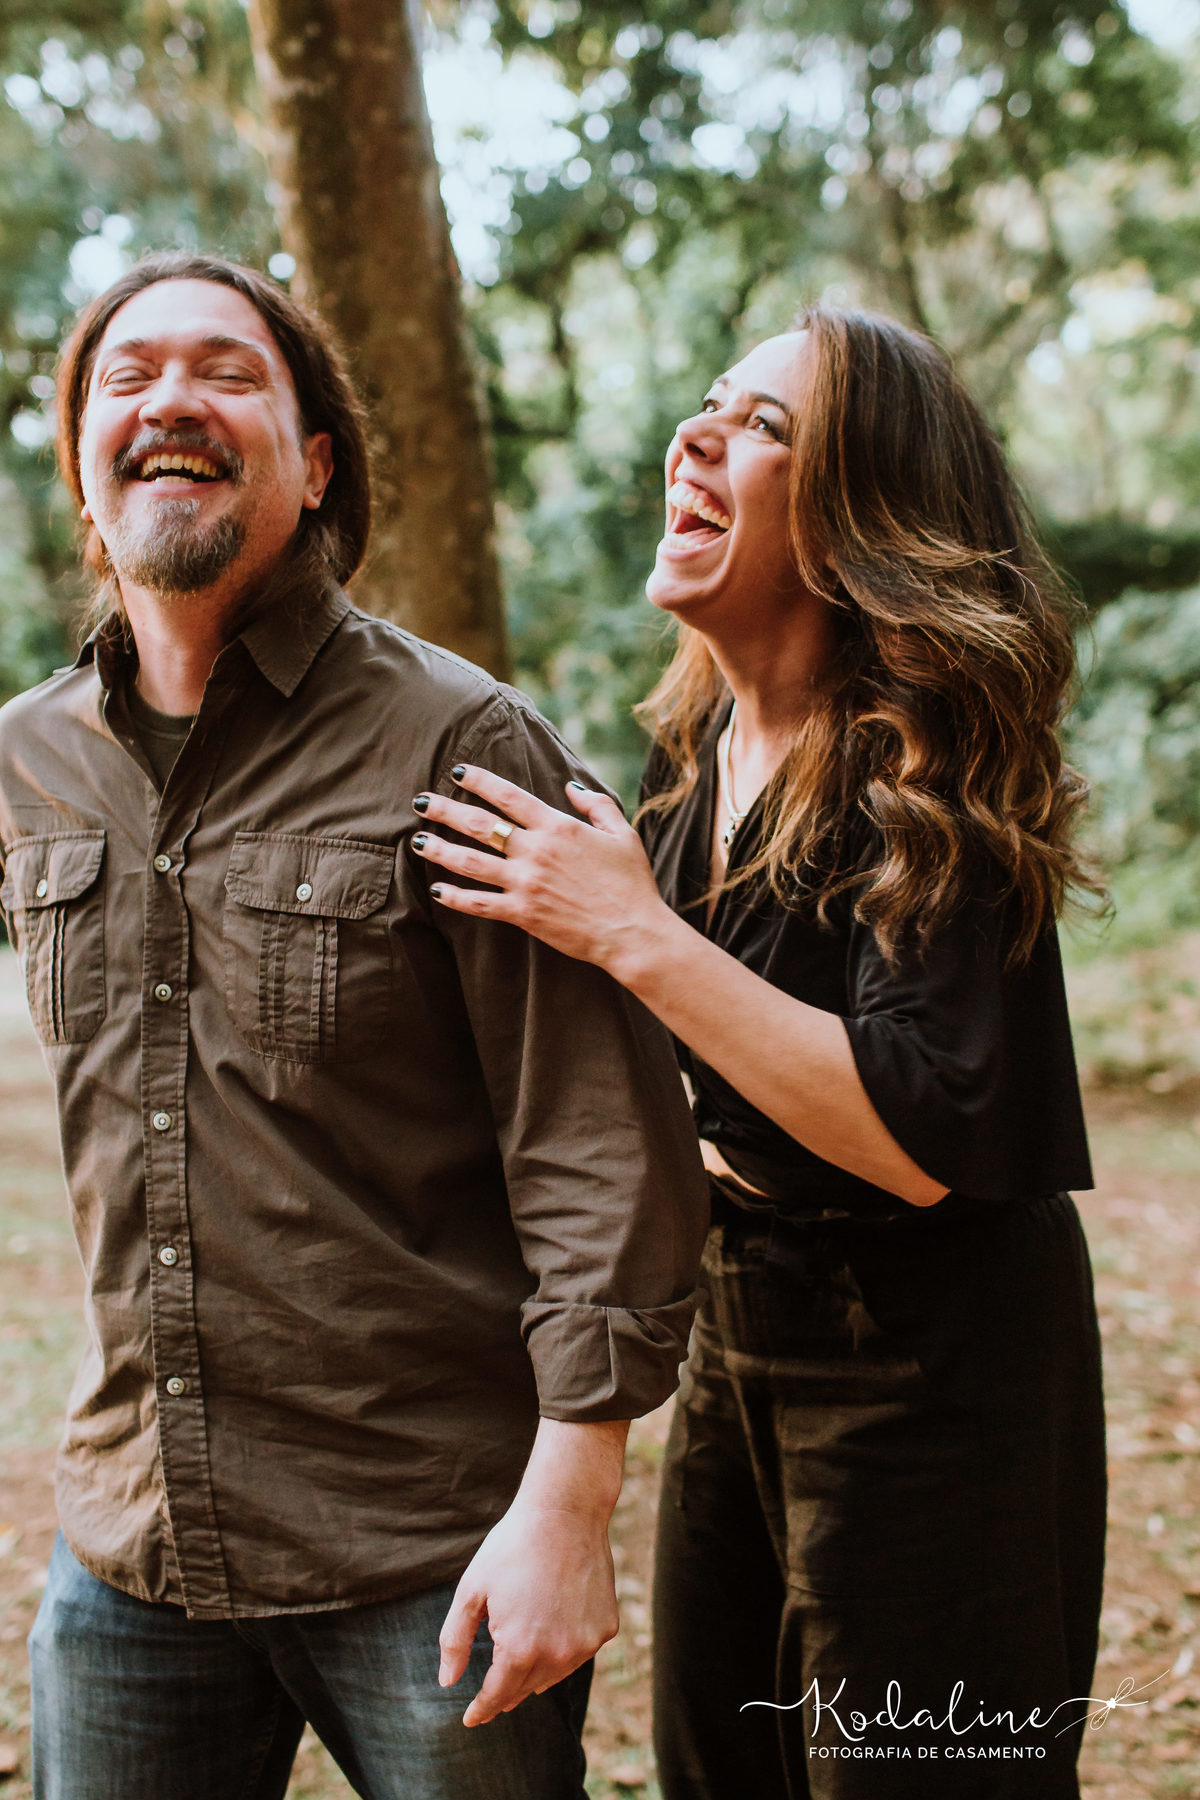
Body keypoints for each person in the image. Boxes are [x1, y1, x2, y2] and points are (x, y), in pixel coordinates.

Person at [0, 251, 710, 1800]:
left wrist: (570, 1512)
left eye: (227, 371)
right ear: (79, 464)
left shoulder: (462, 742)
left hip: (437, 1555)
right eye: (126, 378)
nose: (171, 399)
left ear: (316, 461)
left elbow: (601, 1150)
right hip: (134, 1548)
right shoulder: (29, 763)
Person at [411, 306, 1108, 1799]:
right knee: (724, 1758)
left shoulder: (936, 761)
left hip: (941, 1356)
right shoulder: (684, 777)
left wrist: (634, 934)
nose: (697, 434)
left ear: (868, 507)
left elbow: (925, 1135)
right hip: (738, 1321)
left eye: (766, 423)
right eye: (704, 404)